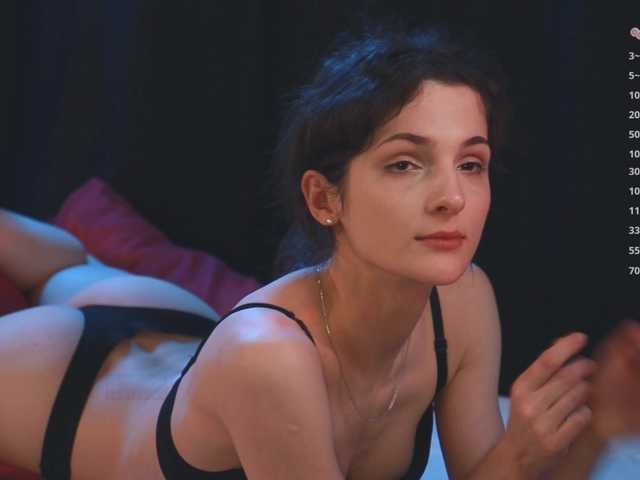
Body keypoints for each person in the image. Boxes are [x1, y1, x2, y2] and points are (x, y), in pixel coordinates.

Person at [0, 25, 638, 480]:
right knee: (62, 268)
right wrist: (523, 454)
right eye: (405, 163)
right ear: (325, 198)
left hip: (177, 330)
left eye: (471, 163)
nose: (453, 198)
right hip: (55, 385)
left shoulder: (463, 299)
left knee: (70, 265)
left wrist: (601, 431)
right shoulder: (269, 359)